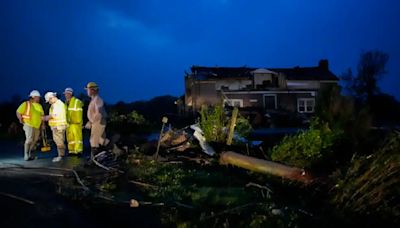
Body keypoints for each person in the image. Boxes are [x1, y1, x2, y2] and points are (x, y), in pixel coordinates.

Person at [16, 90, 44, 161]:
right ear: (33, 97)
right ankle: (26, 154)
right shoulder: (26, 104)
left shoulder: (40, 106)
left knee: (35, 140)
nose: (39, 98)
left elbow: (42, 116)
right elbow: (18, 112)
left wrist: (43, 124)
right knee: (29, 139)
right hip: (28, 124)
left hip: (37, 126)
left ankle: (30, 154)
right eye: (37, 97)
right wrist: (20, 119)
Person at [84, 82, 109, 159]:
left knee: (94, 140)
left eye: (88, 90)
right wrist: (90, 121)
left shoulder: (98, 100)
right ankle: (113, 150)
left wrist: (91, 122)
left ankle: (95, 158)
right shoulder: (93, 100)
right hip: (96, 122)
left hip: (99, 122)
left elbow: (99, 113)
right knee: (101, 139)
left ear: (93, 90)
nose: (87, 91)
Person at [43, 92, 67, 162]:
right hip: (57, 126)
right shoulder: (56, 104)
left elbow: (54, 115)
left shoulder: (58, 104)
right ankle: (61, 155)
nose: (49, 102)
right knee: (58, 141)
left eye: (49, 101)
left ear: (52, 98)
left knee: (59, 142)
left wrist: (45, 118)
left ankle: (61, 156)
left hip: (58, 126)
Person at [64, 87, 83, 156]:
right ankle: (72, 151)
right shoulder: (66, 103)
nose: (65, 95)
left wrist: (77, 121)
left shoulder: (76, 101)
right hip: (69, 124)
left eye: (66, 94)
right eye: (65, 94)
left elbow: (79, 112)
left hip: (76, 123)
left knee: (77, 138)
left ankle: (78, 151)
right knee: (70, 138)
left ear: (70, 94)